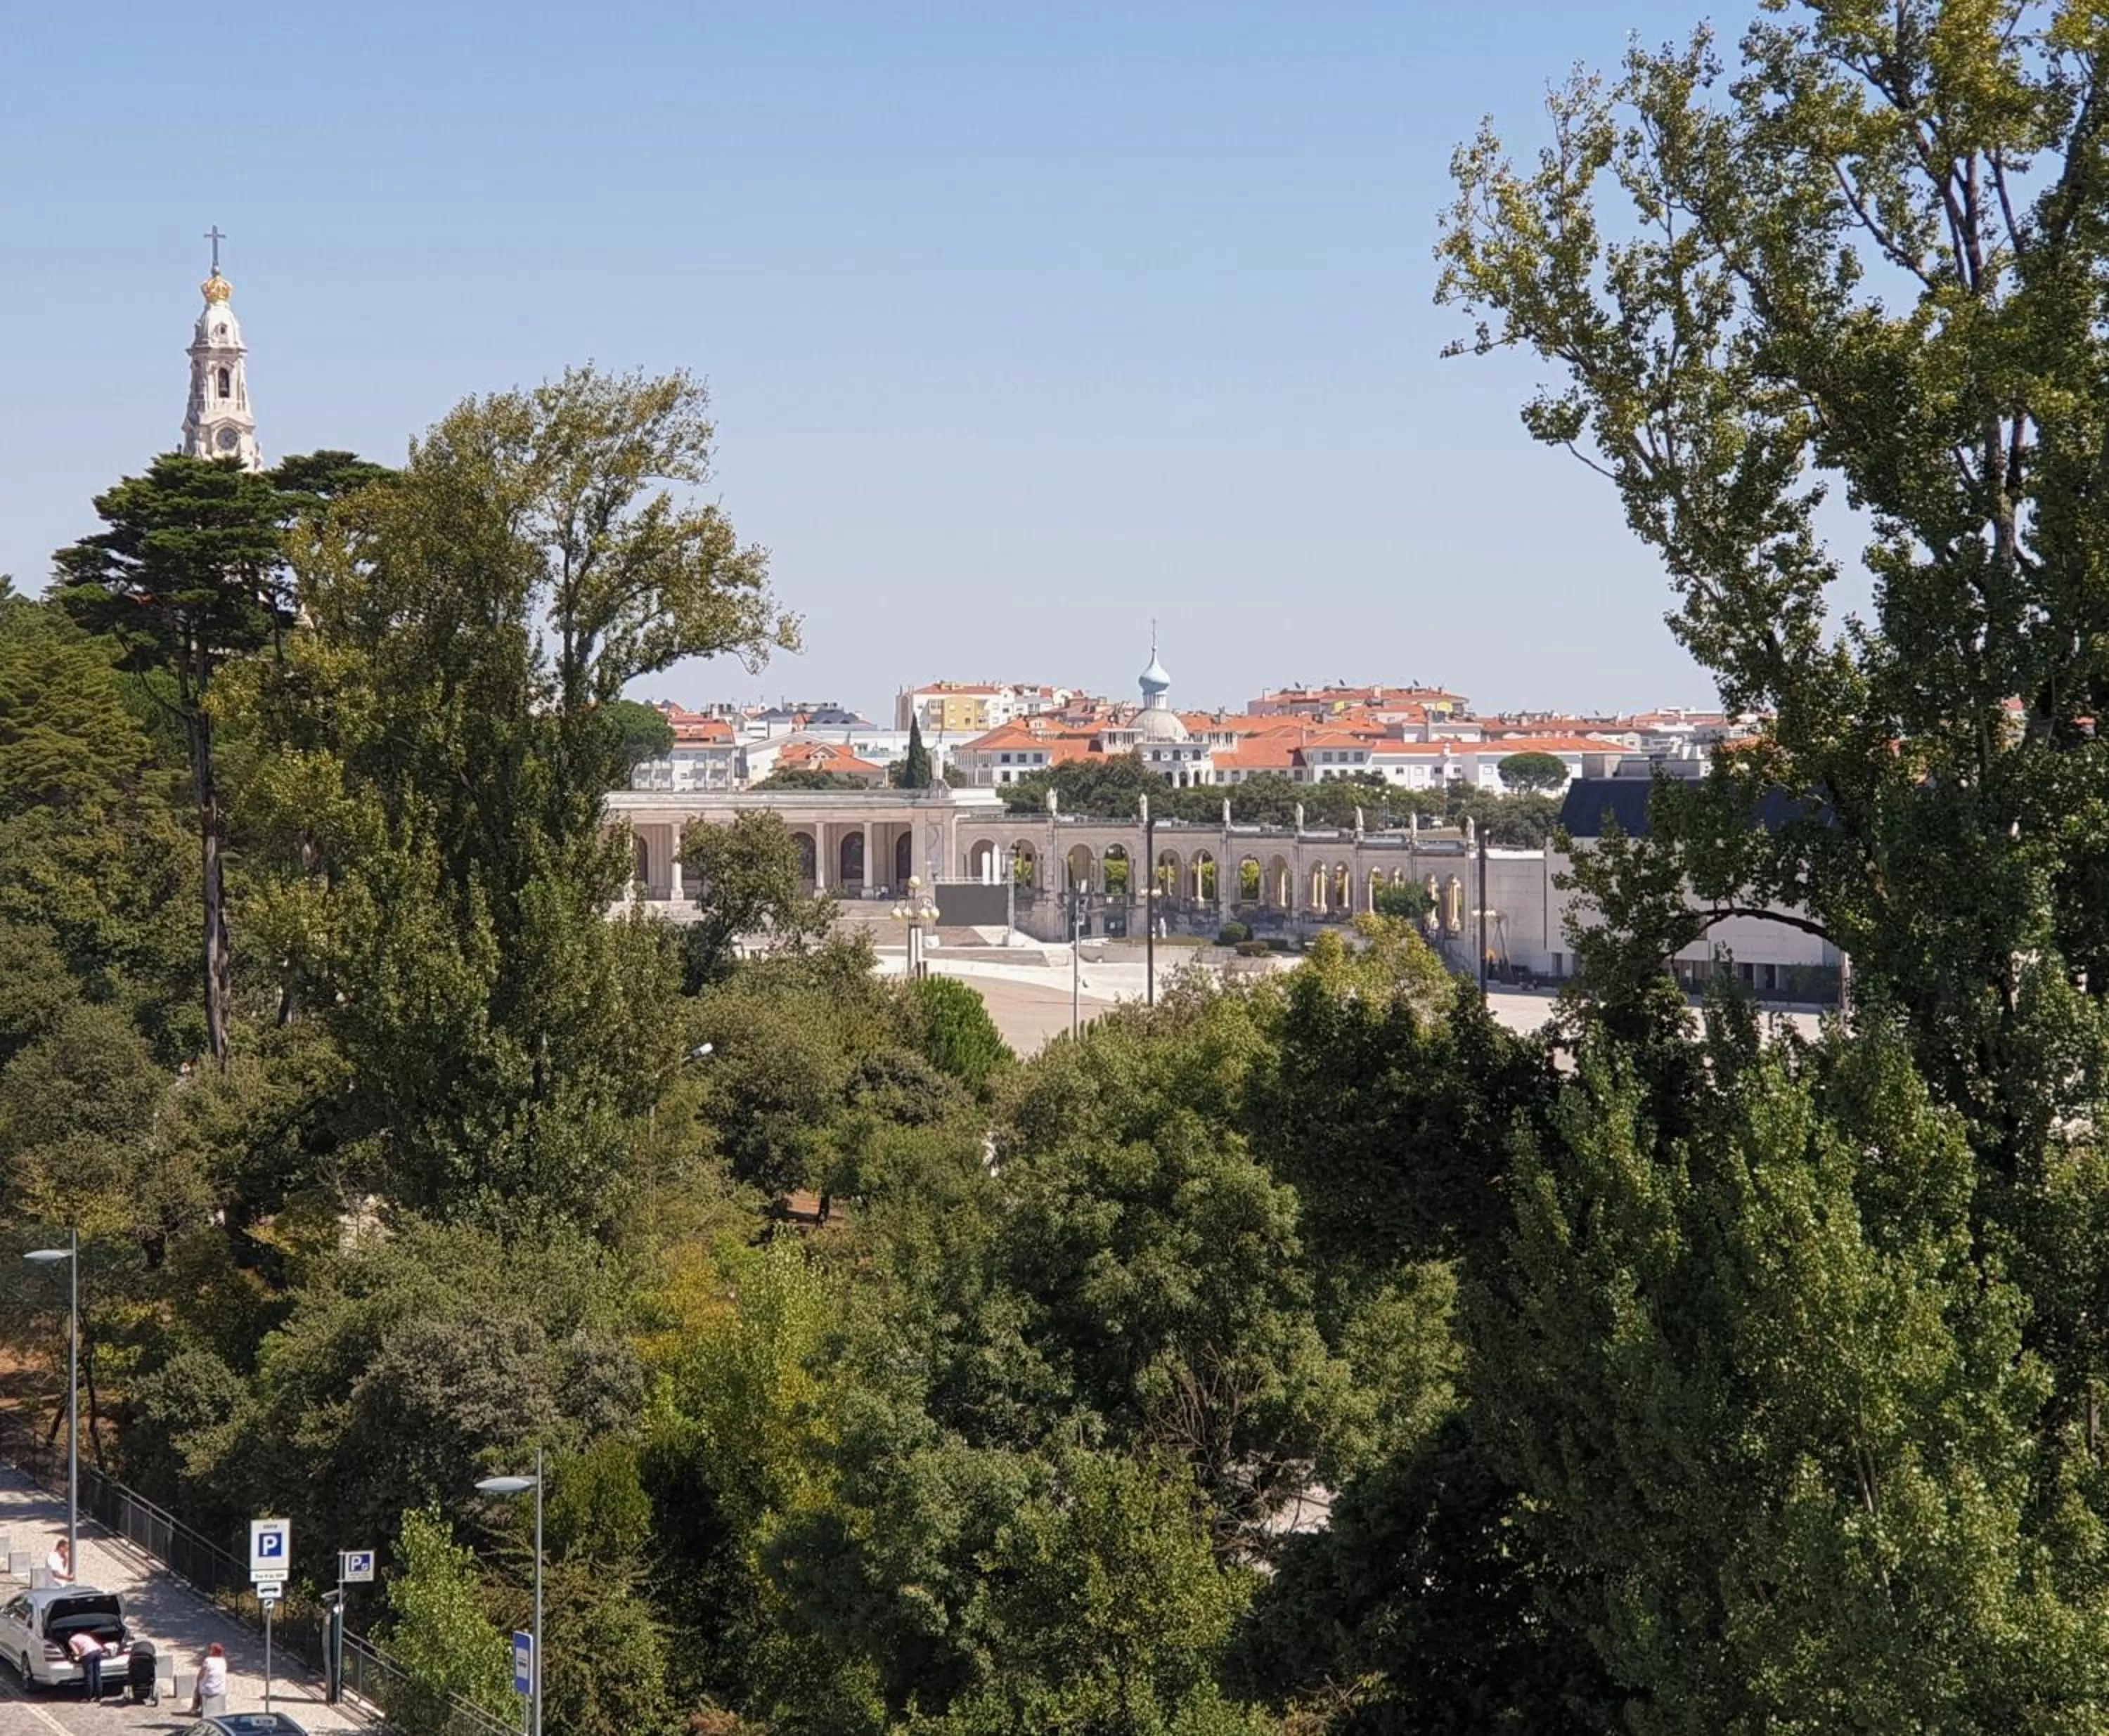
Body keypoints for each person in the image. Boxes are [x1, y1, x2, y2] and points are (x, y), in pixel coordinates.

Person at [67, 1627, 105, 1702]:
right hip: (98, 1651)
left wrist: (75, 1656)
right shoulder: (85, 1635)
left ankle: (88, 1698)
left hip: (88, 1654)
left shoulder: (71, 1640)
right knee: (97, 1674)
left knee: (89, 1676)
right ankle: (99, 1697)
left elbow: (77, 1653)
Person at [191, 1642, 228, 1715]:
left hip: (209, 1689)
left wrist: (199, 1682)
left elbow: (201, 1675)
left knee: (197, 1689)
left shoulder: (208, 1661)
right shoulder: (223, 1661)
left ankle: (194, 1708)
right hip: (221, 1689)